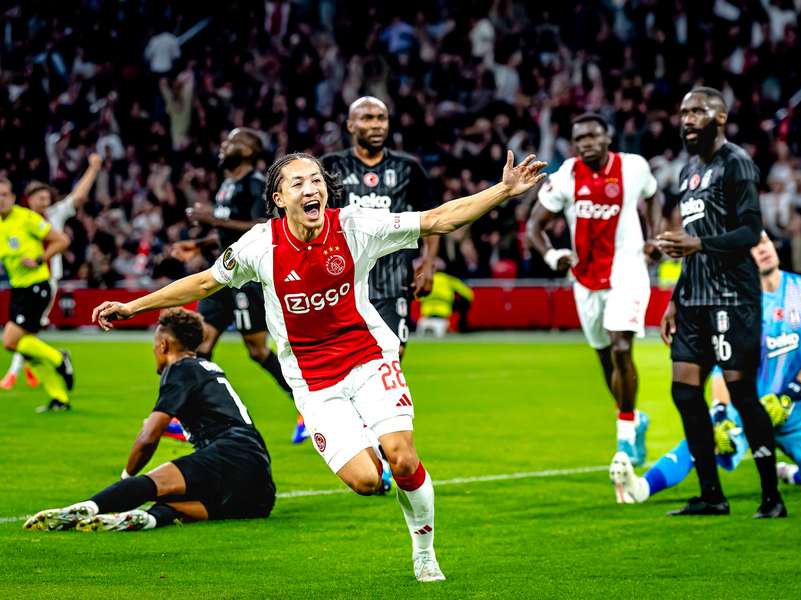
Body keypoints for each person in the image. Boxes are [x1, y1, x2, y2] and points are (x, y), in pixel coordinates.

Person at [92, 150, 546, 581]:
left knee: (404, 459)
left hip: (368, 358)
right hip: (312, 383)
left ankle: (424, 553)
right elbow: (206, 281)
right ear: (279, 198)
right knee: (367, 482)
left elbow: (436, 220)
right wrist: (134, 307)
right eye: (298, 182)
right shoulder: (259, 245)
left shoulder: (353, 225)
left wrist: (502, 191)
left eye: (316, 180)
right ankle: (368, 441)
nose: (311, 188)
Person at [611, 232, 801, 503]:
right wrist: (720, 414)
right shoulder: (734, 301)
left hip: (793, 414)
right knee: (707, 436)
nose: (761, 249)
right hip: (745, 410)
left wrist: (789, 396)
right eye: (752, 247)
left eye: (763, 242)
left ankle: (790, 473)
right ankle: (641, 488)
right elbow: (721, 367)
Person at [24, 308, 276, 532]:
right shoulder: (207, 367)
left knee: (155, 485)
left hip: (231, 452)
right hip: (259, 488)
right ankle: (145, 519)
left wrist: (126, 482)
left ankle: (85, 508)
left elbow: (149, 436)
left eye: (155, 344)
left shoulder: (180, 368)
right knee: (174, 505)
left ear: (164, 344)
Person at [656, 87, 785, 518]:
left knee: (741, 394)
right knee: (684, 391)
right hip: (693, 299)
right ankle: (712, 494)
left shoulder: (737, 163)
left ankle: (772, 496)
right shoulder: (687, 171)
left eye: (697, 111)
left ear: (721, 117)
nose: (688, 118)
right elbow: (693, 247)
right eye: (683, 111)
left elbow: (750, 233)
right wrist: (675, 299)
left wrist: (698, 244)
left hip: (732, 295)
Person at [526, 113, 658, 466]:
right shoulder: (565, 176)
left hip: (627, 270)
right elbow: (534, 226)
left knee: (620, 347)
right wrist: (553, 255)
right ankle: (631, 414)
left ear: (607, 137)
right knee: (604, 355)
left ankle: (626, 432)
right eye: (579, 138)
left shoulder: (633, 167)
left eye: (592, 136)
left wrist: (653, 238)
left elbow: (653, 196)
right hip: (584, 279)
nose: (586, 143)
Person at [173, 128, 309, 444]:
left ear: (249, 151)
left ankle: (307, 406)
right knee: (200, 346)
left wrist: (212, 221)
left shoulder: (257, 185)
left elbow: (265, 227)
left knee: (258, 351)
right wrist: (200, 243)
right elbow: (229, 233)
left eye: (233, 141)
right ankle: (198, 415)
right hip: (222, 275)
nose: (224, 145)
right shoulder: (227, 186)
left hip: (247, 280)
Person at [321, 96, 439, 360]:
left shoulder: (408, 168)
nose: (376, 125)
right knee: (343, 360)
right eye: (367, 118)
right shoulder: (329, 167)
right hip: (342, 277)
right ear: (351, 125)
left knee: (392, 357)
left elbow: (431, 219)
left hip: (393, 275)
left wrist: (429, 262)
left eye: (381, 118)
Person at [2, 153, 102, 390]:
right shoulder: (15, 221)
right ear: (30, 200)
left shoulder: (52, 215)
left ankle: (20, 370)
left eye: (48, 198)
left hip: (45, 280)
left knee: (19, 335)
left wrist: (93, 169)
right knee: (25, 334)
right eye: (40, 198)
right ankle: (50, 386)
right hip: (21, 283)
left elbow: (78, 196)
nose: (45, 202)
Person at [0, 177, 74, 412]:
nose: (0, 200)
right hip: (18, 289)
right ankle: (59, 398)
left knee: (10, 341)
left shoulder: (27, 218)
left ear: (12, 197)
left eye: (4, 195)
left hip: (36, 286)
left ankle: (59, 358)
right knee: (25, 349)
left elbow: (62, 240)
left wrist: (40, 258)